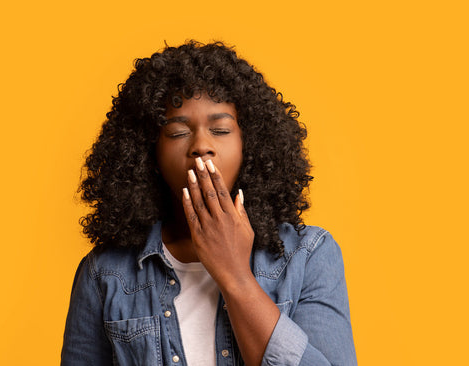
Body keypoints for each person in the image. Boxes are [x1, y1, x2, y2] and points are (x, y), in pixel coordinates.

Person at [61, 40, 357, 366]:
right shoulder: (104, 274)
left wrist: (234, 276)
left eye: (220, 129)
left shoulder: (309, 256)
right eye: (177, 132)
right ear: (149, 153)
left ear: (251, 145)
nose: (202, 145)